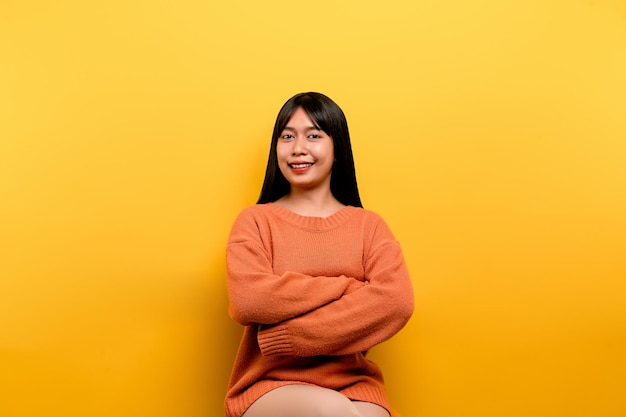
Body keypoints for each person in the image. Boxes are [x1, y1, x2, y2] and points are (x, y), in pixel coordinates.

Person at [224, 92, 414, 417]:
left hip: (354, 384)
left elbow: (396, 302)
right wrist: (348, 288)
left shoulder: (368, 226)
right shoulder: (255, 221)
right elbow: (250, 300)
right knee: (332, 413)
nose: (298, 148)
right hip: (267, 384)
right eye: (287, 136)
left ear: (337, 147)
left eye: (314, 135)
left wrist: (286, 336)